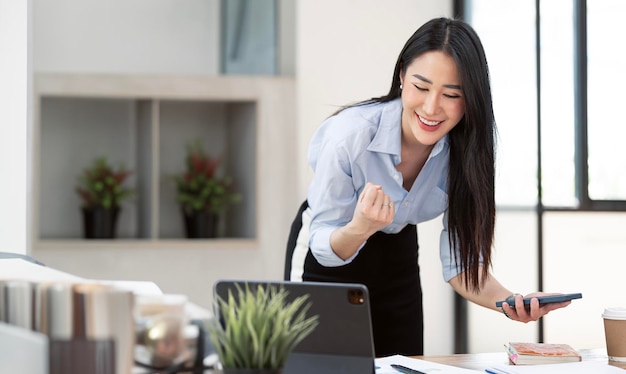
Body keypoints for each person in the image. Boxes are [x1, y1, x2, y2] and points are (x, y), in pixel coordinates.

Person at [285, 17, 574, 357]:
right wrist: (361, 228)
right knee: (318, 365)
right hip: (331, 246)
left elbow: (463, 267)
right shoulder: (349, 135)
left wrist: (509, 302)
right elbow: (323, 245)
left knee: (405, 364)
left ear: (471, 100)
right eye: (421, 87)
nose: (432, 107)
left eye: (451, 94)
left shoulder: (466, 154)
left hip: (398, 252)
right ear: (402, 76)